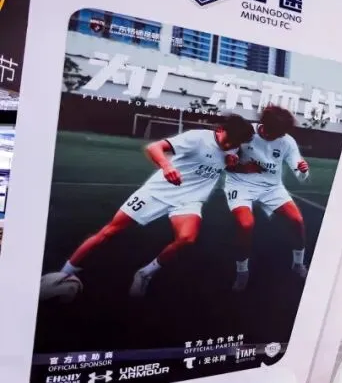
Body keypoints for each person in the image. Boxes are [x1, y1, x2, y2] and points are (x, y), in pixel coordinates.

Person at [46, 114, 254, 297]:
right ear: (220, 130)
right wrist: (167, 167)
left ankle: (145, 273)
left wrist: (233, 164)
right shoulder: (197, 138)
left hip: (189, 200)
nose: (230, 145)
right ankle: (63, 274)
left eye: (236, 143)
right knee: (110, 231)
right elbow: (154, 147)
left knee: (187, 238)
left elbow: (228, 164)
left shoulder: (234, 147)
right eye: (229, 140)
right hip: (158, 192)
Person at [224, 104, 310, 290]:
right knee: (245, 224)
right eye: (276, 133)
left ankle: (298, 264)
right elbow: (223, 163)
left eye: (282, 133)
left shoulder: (287, 141)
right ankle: (242, 272)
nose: (280, 136)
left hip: (272, 188)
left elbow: (300, 172)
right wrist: (241, 168)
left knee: (297, 220)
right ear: (265, 126)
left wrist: (303, 170)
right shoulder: (245, 133)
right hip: (240, 184)